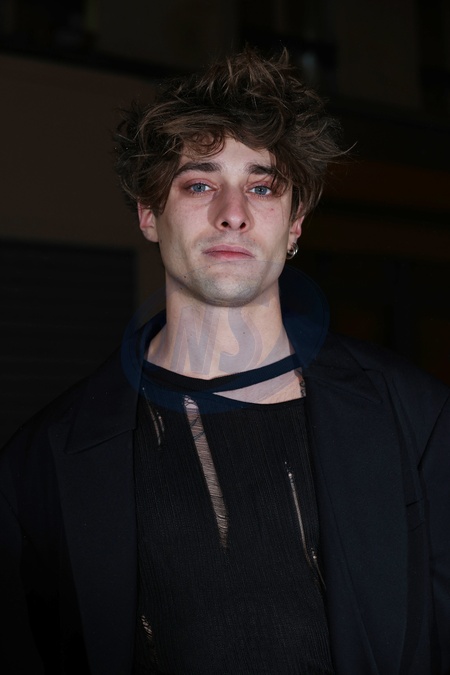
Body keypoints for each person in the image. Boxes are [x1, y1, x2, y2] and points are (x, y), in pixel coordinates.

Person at [1, 48, 449, 675]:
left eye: (261, 187)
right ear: (149, 214)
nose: (232, 213)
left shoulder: (419, 419)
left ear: (295, 223)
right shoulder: (41, 460)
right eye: (200, 184)